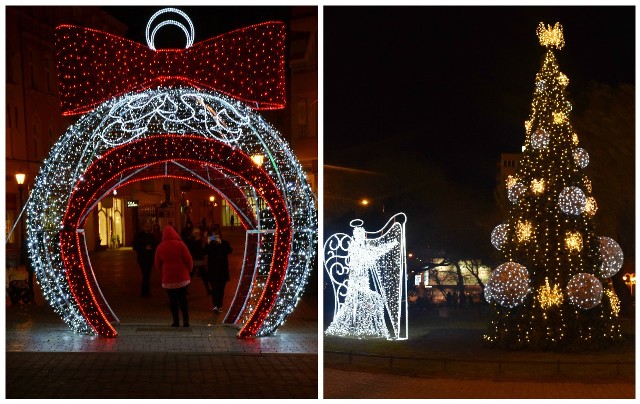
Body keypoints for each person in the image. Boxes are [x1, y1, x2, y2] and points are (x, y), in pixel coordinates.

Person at [155, 226, 193, 327]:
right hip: (182, 276)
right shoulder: (180, 245)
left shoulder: (160, 247)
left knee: (172, 301)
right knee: (183, 299)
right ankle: (186, 320)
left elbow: (157, 264)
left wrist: (162, 273)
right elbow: (188, 259)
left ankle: (175, 321)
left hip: (168, 277)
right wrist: (189, 269)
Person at [204, 229, 232, 313]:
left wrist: (221, 244)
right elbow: (204, 252)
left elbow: (229, 251)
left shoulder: (225, 243)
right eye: (213, 235)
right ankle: (216, 305)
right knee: (214, 288)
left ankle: (219, 305)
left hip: (222, 270)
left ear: (220, 235)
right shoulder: (210, 244)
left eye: (217, 235)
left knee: (221, 289)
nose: (215, 237)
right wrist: (207, 244)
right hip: (213, 270)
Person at [133, 223, 157, 297]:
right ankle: (145, 291)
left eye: (148, 226)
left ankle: (146, 291)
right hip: (143, 258)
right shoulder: (139, 236)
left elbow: (155, 244)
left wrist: (152, 248)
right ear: (143, 227)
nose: (147, 227)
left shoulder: (151, 235)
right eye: (146, 226)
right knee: (145, 274)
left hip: (150, 258)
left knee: (147, 275)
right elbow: (135, 246)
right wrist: (144, 248)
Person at [187, 227, 210, 294]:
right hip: (197, 260)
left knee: (202, 276)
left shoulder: (193, 241)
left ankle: (208, 290)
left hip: (197, 260)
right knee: (203, 276)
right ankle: (208, 290)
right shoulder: (197, 240)